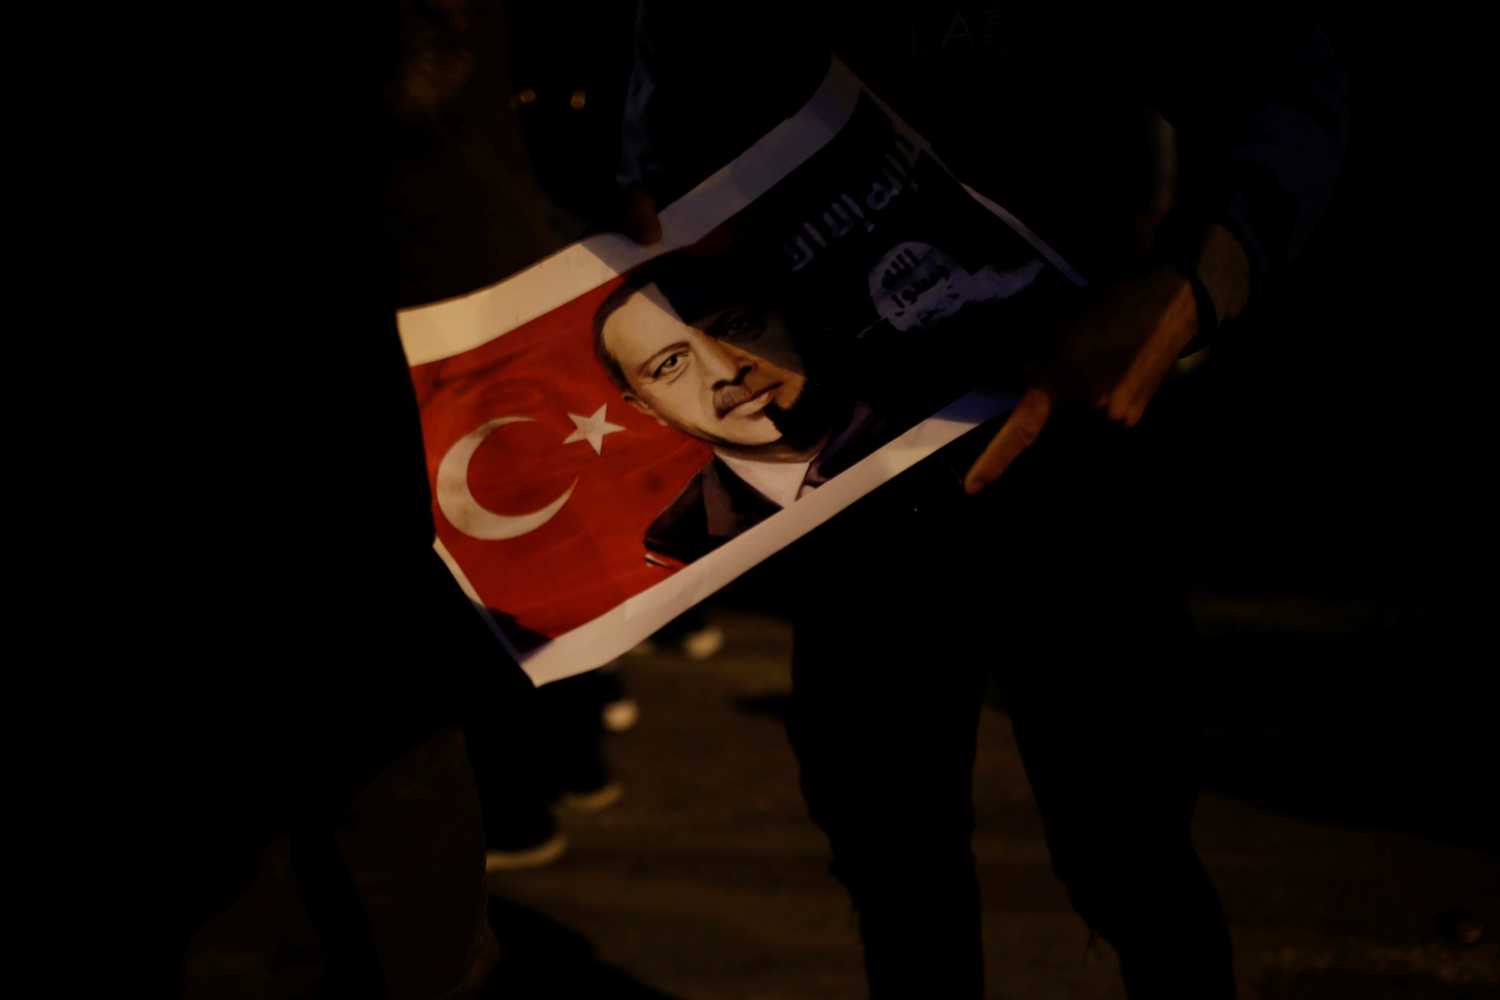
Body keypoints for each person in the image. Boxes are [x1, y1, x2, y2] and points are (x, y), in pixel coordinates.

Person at [616, 5, 1348, 997]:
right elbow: (667, 77)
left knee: (1126, 843)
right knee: (889, 845)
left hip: (1077, 405)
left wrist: (1196, 283)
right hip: (845, 446)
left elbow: (1287, 73)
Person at [594, 251, 895, 565]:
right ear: (646, 408)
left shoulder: (912, 397)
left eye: (737, 326)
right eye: (670, 364)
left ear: (783, 313)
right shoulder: (676, 543)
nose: (725, 370)